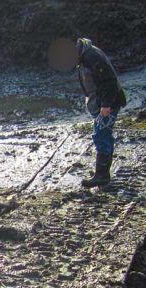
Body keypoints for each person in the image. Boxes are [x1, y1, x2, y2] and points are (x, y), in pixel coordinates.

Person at [49, 37, 126, 187]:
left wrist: (105, 105)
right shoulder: (85, 55)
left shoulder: (92, 57)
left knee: (100, 135)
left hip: (107, 103)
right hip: (102, 102)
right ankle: (102, 173)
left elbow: (108, 80)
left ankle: (101, 175)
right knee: (104, 135)